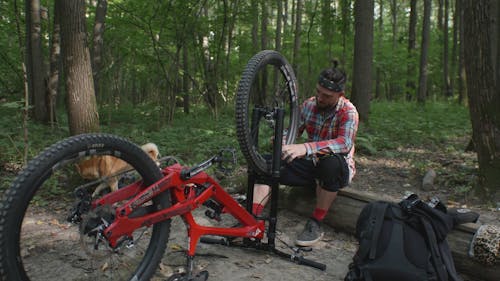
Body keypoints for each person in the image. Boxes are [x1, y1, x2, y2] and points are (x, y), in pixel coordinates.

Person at [252, 60, 359, 247]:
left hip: (335, 169)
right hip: (309, 165)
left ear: (340, 95)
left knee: (330, 164)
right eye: (318, 92)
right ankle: (253, 219)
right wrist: (282, 140)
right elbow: (294, 130)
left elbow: (344, 143)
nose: (320, 98)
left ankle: (316, 222)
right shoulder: (309, 105)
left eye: (326, 96)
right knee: (265, 163)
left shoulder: (348, 112)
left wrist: (306, 148)